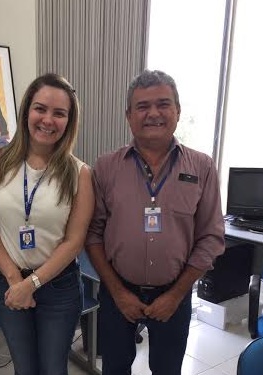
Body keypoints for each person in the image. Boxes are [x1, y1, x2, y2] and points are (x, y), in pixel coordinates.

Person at [85, 70, 225, 375]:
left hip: (175, 292)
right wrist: (118, 292)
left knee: (167, 369)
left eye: (163, 104)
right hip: (117, 289)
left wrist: (175, 295)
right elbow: (93, 234)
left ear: (177, 111)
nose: (153, 114)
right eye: (142, 106)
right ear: (128, 115)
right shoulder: (106, 167)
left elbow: (211, 237)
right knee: (114, 367)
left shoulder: (202, 167)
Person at [0, 73, 94, 375]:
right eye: (40, 108)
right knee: (25, 369)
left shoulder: (79, 174)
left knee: (54, 369)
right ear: (27, 110)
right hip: (9, 281)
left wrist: (32, 283)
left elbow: (74, 241)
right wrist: (16, 281)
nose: (48, 119)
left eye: (59, 113)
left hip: (59, 288)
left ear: (69, 121)